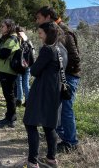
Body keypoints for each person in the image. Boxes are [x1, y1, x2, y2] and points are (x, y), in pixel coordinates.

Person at [36, 6, 81, 153]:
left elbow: (75, 58)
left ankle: (71, 142)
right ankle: (61, 137)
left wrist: (60, 69)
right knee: (58, 108)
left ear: (48, 17)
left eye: (39, 18)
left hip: (69, 76)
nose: (37, 22)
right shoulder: (54, 30)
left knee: (66, 109)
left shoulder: (64, 32)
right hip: (60, 76)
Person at [23, 22, 67, 168]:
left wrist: (30, 61)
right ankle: (51, 159)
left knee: (30, 123)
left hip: (42, 91)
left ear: (48, 34)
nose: (39, 35)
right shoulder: (62, 49)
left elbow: (35, 71)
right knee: (49, 125)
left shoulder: (48, 50)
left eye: (41, 33)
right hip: (56, 91)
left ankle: (32, 161)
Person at [0, 19, 20, 127]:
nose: (1, 28)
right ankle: (9, 117)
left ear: (9, 27)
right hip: (3, 69)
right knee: (7, 95)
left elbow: (2, 54)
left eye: (3, 26)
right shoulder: (4, 39)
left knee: (9, 95)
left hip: (8, 70)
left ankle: (11, 118)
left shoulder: (12, 39)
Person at [15, 26, 35, 107]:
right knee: (26, 83)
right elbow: (33, 52)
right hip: (28, 65)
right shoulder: (28, 41)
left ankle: (19, 100)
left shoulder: (17, 40)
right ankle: (28, 100)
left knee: (19, 82)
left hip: (19, 65)